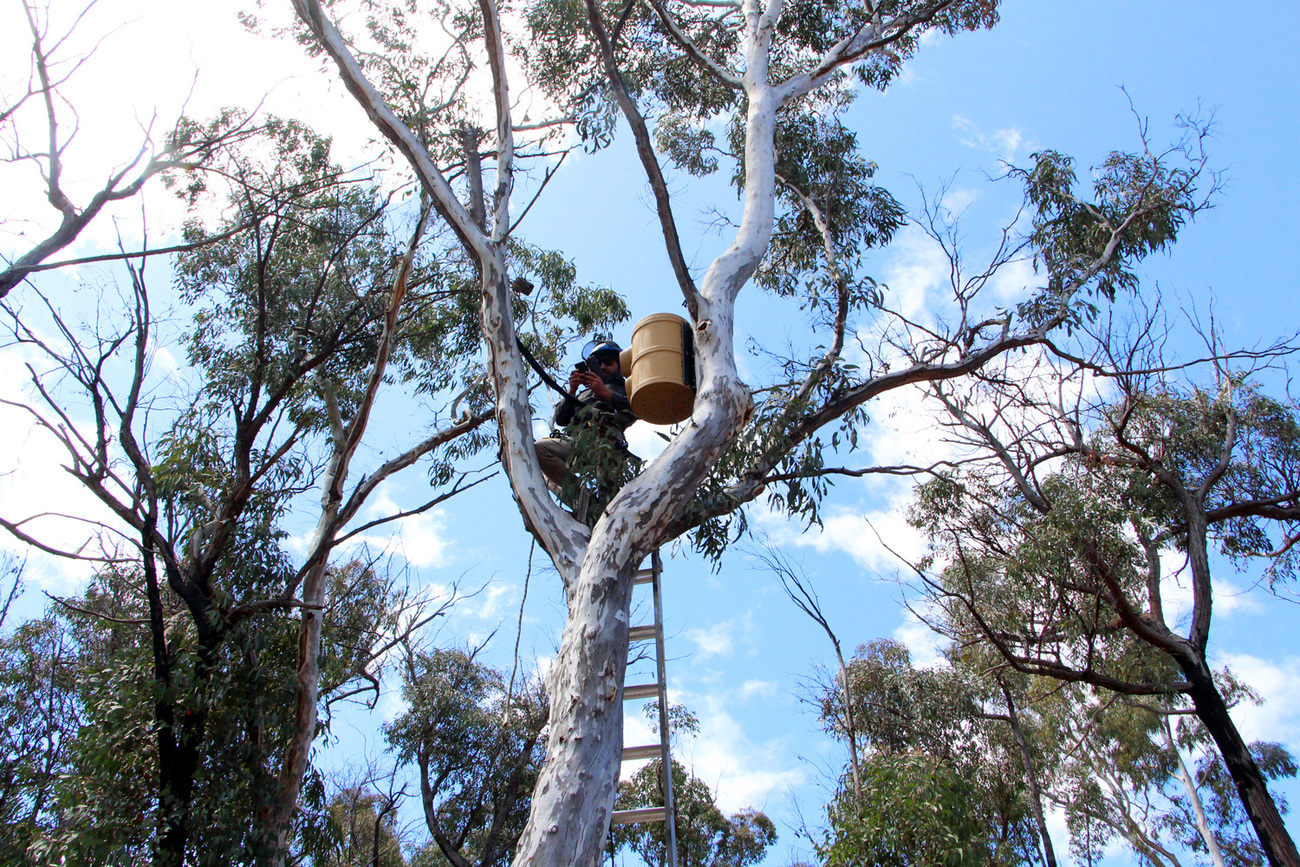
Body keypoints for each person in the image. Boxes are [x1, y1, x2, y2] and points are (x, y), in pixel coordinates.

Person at [535, 340, 638, 508]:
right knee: (541, 449)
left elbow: (636, 409)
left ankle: (608, 509)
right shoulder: (584, 393)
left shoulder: (626, 386)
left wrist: (605, 393)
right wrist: (572, 391)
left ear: (620, 365)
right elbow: (561, 420)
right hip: (578, 442)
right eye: (599, 363)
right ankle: (585, 502)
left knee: (609, 499)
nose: (603, 366)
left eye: (609, 362)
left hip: (606, 442)